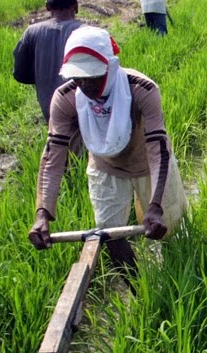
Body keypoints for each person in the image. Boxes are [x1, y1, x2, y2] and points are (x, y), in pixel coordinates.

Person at [28, 26, 188, 285]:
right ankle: (140, 294)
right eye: (79, 78)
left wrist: (155, 206)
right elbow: (53, 156)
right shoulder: (67, 97)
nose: (86, 85)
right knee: (110, 235)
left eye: (92, 76)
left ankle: (178, 283)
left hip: (148, 165)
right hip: (105, 167)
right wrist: (42, 214)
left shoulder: (141, 90)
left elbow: (157, 149)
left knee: (170, 229)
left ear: (110, 67)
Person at [13, 0, 83, 154]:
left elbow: (20, 73)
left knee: (59, 145)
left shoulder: (32, 32)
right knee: (81, 150)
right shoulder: (85, 31)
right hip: (81, 103)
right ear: (76, 6)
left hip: (48, 104)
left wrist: (42, 76)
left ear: (47, 7)